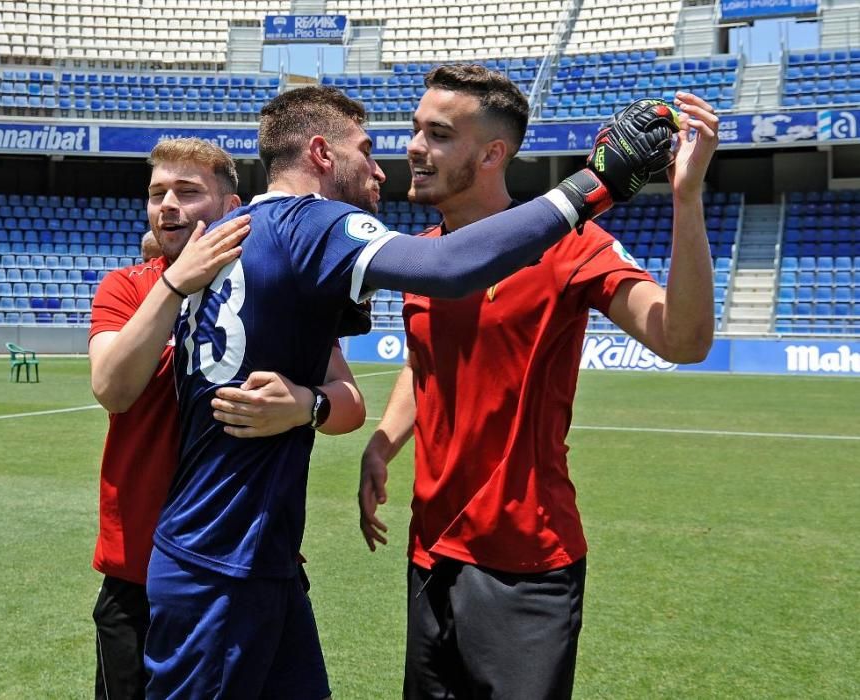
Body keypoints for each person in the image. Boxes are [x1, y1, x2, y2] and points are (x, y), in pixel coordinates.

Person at [144, 85, 682, 698]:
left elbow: (346, 384)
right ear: (322, 154)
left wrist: (321, 410)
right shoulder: (314, 222)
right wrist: (595, 185)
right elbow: (449, 268)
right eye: (366, 150)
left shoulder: (236, 235)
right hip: (219, 561)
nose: (383, 166)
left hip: (258, 558)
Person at [358, 65, 719, 699]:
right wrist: (383, 442)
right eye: (416, 129)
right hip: (430, 554)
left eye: (438, 134)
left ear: (493, 153)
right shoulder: (423, 257)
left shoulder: (571, 245)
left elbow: (682, 340)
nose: (415, 146)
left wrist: (685, 199)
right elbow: (423, 364)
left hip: (526, 565)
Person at [88, 137, 366, 699]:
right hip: (140, 568)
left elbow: (350, 405)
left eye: (187, 192)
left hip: (251, 559)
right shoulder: (129, 286)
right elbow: (113, 389)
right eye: (156, 193)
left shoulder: (276, 285)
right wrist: (174, 285)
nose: (167, 205)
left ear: (233, 208)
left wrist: (305, 405)